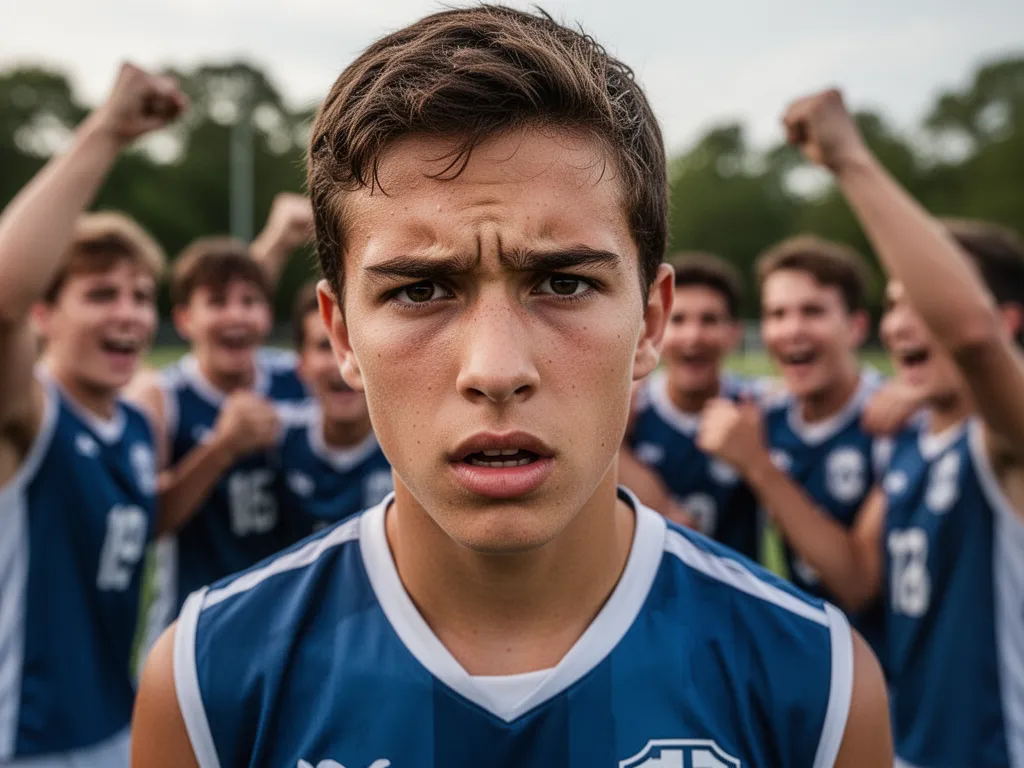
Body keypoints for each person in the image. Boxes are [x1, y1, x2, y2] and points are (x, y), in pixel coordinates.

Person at [131, 9, 891, 767]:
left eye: (563, 282)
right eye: (421, 290)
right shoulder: (207, 680)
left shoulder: (818, 680)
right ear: (340, 337)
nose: (495, 370)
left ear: (651, 322)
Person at [701, 87, 1024, 767]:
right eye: (895, 303)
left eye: (922, 302)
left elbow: (972, 339)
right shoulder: (914, 438)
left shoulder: (1001, 444)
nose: (901, 322)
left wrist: (848, 159)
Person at [0, 64, 183, 766]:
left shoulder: (135, 423)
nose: (130, 312)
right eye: (102, 293)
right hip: (27, 738)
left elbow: (139, 522)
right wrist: (106, 131)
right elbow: (4, 300)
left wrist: (218, 454)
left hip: (116, 722)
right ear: (45, 315)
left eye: (141, 295)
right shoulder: (30, 412)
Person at [701, 236, 890, 657]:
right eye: (777, 314)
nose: (792, 329)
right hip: (814, 663)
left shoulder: (891, 420)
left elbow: (857, 585)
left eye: (813, 311)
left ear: (856, 326)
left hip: (894, 674)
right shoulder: (766, 412)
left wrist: (759, 467)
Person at [130, 220, 312, 645]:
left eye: (250, 301)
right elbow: (150, 521)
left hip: (290, 620)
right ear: (184, 319)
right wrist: (221, 449)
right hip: (195, 626)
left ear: (267, 315)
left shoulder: (299, 379)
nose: (236, 315)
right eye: (216, 302)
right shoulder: (165, 396)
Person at [619, 252, 762, 559]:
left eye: (709, 320)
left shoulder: (756, 406)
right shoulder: (630, 409)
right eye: (679, 320)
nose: (693, 336)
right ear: (654, 329)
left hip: (735, 596)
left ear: (734, 333)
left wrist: (895, 393)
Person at [277, 283, 392, 535]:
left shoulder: (409, 447)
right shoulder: (276, 440)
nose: (343, 362)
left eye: (354, 342)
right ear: (301, 364)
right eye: (324, 346)